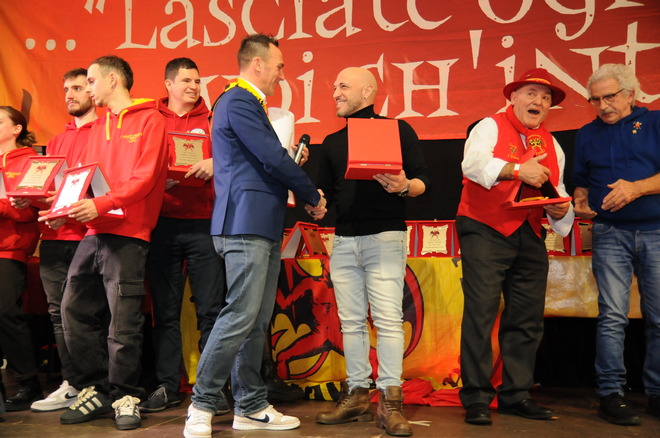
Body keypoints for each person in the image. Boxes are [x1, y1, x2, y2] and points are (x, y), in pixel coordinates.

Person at [183, 33, 326, 438]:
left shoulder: (248, 104)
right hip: (244, 222)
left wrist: (295, 176)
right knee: (240, 315)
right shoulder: (239, 99)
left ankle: (250, 405)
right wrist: (312, 193)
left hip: (261, 222)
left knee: (256, 319)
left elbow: (265, 160)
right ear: (258, 63)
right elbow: (271, 156)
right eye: (279, 66)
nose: (282, 74)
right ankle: (202, 403)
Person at [41, 55, 169, 430]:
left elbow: (145, 178)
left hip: (130, 232)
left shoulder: (151, 120)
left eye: (92, 81)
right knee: (72, 309)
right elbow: (81, 177)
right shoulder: (99, 126)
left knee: (123, 321)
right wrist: (60, 209)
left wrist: (101, 203)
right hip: (94, 230)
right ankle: (95, 389)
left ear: (113, 80)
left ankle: (125, 394)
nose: (88, 88)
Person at [313, 67, 430, 437]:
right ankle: (357, 395)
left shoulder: (398, 130)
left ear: (367, 91)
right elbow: (325, 192)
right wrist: (316, 203)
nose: (335, 93)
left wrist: (404, 184)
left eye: (343, 86)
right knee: (350, 322)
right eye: (334, 86)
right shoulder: (331, 141)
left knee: (388, 320)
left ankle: (391, 403)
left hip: (385, 237)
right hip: (344, 240)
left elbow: (423, 181)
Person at [456, 68, 574, 425]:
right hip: (485, 226)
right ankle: (476, 397)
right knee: (481, 312)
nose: (539, 101)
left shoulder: (552, 145)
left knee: (526, 318)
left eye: (545, 97)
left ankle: (517, 395)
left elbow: (558, 191)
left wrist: (561, 210)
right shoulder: (490, 126)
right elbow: (472, 164)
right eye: (531, 94)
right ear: (514, 97)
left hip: (530, 231)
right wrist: (517, 170)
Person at [572, 63, 660, 426]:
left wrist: (636, 188)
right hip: (608, 232)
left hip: (656, 230)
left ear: (631, 94)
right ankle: (611, 394)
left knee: (659, 317)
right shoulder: (586, 134)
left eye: (609, 97)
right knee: (611, 316)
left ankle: (657, 394)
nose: (602, 106)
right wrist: (580, 200)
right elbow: (580, 181)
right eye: (595, 100)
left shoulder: (655, 122)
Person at [140, 57, 228, 414]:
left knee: (211, 310)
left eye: (197, 81)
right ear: (169, 84)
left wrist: (215, 164)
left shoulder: (213, 119)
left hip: (206, 223)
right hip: (162, 224)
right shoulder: (151, 119)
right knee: (165, 311)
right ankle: (167, 385)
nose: (193, 87)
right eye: (186, 81)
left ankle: (212, 388)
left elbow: (235, 158)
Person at [25, 68, 97, 413]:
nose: (70, 94)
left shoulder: (106, 133)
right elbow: (49, 189)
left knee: (89, 313)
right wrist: (30, 197)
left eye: (78, 87)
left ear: (93, 90)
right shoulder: (55, 141)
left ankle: (96, 384)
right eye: (66, 88)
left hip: (88, 235)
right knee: (58, 313)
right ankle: (72, 383)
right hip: (54, 235)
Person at [0, 106, 42, 411]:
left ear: (17, 129)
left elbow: (30, 210)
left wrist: (3, 206)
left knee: (5, 312)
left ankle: (29, 381)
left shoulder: (29, 161)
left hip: (9, 248)